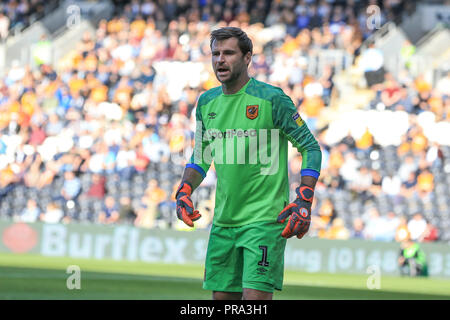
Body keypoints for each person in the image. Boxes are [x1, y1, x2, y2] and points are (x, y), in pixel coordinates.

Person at [174, 27, 321, 300]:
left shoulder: (272, 99)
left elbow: (310, 147)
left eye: (229, 53)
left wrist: (304, 199)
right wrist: (184, 190)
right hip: (224, 222)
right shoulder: (206, 102)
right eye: (215, 53)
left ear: (247, 58)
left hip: (265, 220)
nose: (220, 60)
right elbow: (201, 156)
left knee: (253, 301)